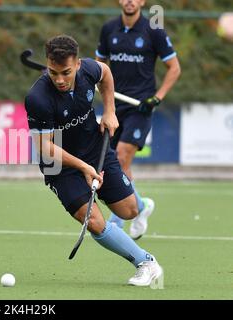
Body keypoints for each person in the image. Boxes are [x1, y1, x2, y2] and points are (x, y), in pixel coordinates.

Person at [24, 34, 162, 286]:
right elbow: (45, 147)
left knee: (128, 211)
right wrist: (83, 167)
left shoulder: (89, 69)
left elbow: (106, 73)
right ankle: (146, 263)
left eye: (66, 72)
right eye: (53, 73)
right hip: (60, 165)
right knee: (95, 222)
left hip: (94, 147)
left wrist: (109, 110)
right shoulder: (38, 99)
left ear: (77, 64)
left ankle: (142, 205)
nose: (60, 80)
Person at [95, 0, 181, 239]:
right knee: (112, 162)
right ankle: (141, 206)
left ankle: (116, 223)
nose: (130, 1)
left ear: (142, 1)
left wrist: (157, 98)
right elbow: (99, 66)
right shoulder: (108, 29)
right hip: (114, 106)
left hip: (140, 108)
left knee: (122, 156)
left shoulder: (154, 30)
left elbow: (174, 68)